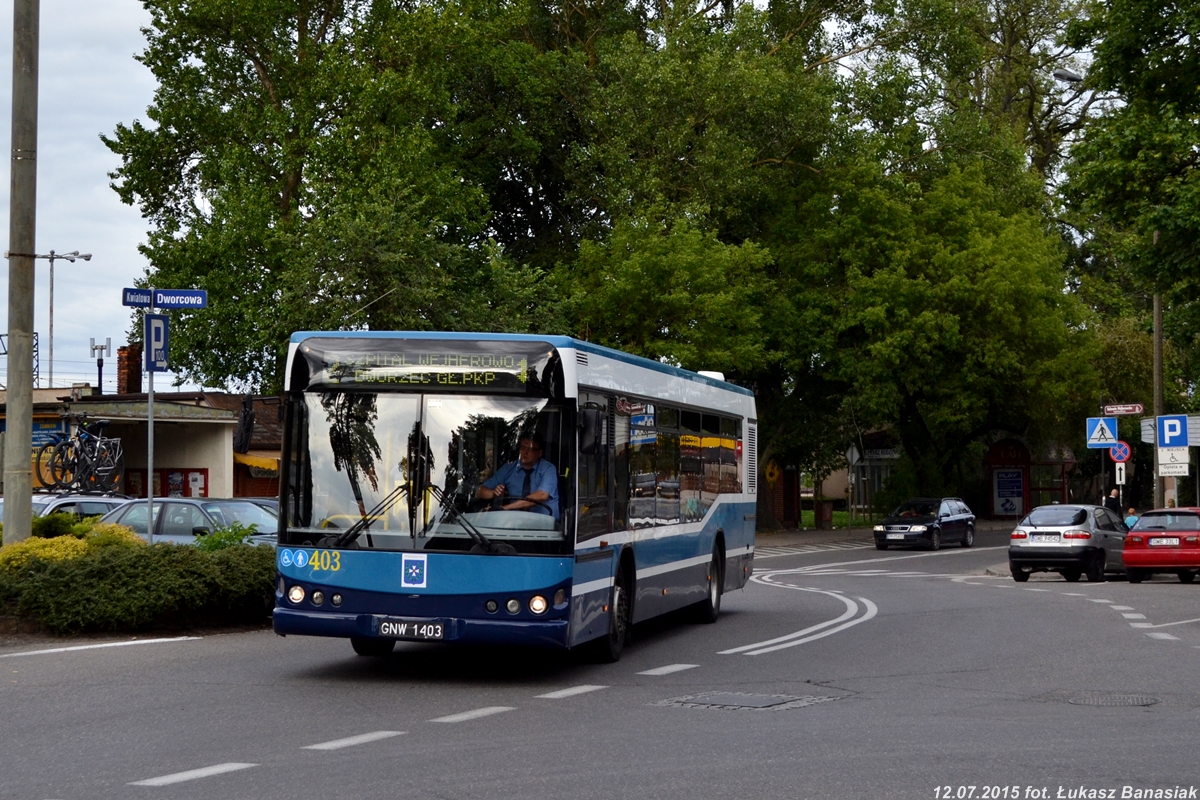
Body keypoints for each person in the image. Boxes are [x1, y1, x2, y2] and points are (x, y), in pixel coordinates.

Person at [475, 433, 559, 519]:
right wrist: (494, 493)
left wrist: (504, 508)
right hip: (515, 526)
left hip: (544, 527)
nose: (525, 452)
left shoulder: (548, 469)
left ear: (539, 453)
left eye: (530, 449)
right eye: (522, 448)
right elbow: (480, 491)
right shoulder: (509, 468)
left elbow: (542, 495)